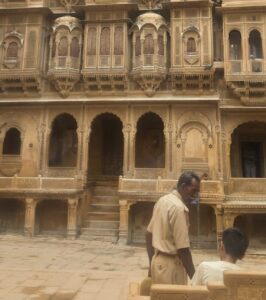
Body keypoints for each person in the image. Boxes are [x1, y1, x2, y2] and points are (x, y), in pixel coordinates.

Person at [146, 171, 200, 285]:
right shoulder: (179, 208)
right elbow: (183, 249)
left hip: (158, 263)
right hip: (172, 266)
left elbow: (148, 234)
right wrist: (195, 279)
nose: (196, 195)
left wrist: (151, 262)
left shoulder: (162, 200)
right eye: (194, 190)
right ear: (183, 186)